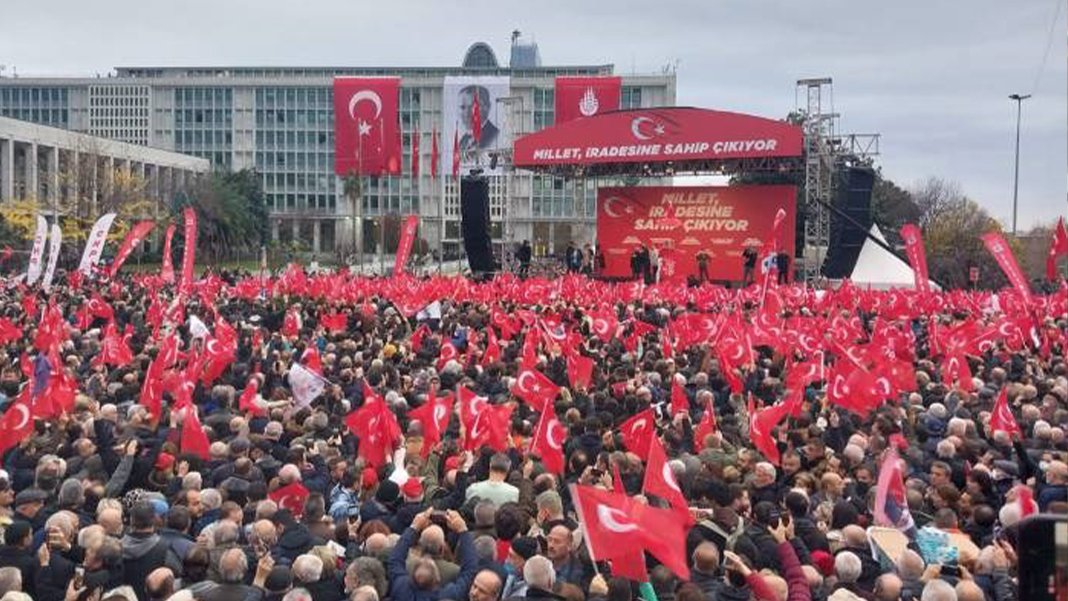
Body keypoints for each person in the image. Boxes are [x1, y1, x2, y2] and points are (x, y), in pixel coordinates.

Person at [388, 509, 476, 601]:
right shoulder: (447, 595)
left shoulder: (401, 588)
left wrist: (414, 527)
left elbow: (395, 559)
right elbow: (470, 570)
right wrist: (463, 530)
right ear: (437, 580)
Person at [458, 85, 499, 152]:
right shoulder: (463, 140)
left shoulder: (494, 136)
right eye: (463, 107)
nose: (467, 113)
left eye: (473, 107)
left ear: (487, 107)